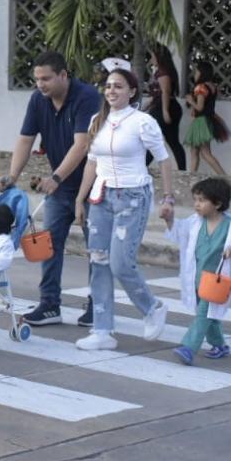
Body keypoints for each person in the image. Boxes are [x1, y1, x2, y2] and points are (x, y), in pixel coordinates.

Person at [73, 68, 177, 351]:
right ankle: (102, 330)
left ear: (132, 92)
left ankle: (152, 307)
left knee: (120, 263)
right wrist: (80, 198)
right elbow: (92, 162)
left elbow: (164, 159)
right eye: (108, 86)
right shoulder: (97, 120)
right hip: (100, 197)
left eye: (118, 86)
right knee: (99, 262)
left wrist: (168, 198)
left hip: (132, 196)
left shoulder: (143, 122)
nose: (111, 91)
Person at [0, 50, 100, 328]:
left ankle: (99, 304)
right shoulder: (38, 100)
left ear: (63, 75)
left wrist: (55, 177)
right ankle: (49, 304)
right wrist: (12, 175)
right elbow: (25, 139)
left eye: (46, 79)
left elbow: (82, 144)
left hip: (93, 187)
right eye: (37, 79)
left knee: (97, 250)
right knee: (49, 245)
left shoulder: (87, 97)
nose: (40, 84)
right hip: (61, 189)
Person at [163, 178, 231, 366]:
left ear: (218, 203)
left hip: (216, 280)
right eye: (195, 199)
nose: (196, 204)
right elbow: (179, 231)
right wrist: (169, 219)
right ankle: (220, 345)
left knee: (204, 312)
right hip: (196, 278)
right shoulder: (195, 222)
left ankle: (189, 347)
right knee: (209, 314)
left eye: (202, 200)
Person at [182, 60, 228, 175]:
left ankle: (224, 176)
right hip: (208, 120)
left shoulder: (200, 88)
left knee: (205, 153)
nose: (195, 74)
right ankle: (191, 177)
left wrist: (190, 101)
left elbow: (199, 107)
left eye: (197, 71)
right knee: (195, 152)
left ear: (202, 72)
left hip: (200, 122)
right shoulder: (212, 87)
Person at [146, 43, 186, 171]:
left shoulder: (163, 73)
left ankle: (142, 167)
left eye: (153, 56)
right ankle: (182, 169)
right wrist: (146, 107)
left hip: (165, 108)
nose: (151, 59)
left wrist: (165, 111)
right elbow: (157, 95)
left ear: (159, 57)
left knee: (155, 140)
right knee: (171, 141)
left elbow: (165, 92)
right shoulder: (161, 71)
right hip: (163, 107)